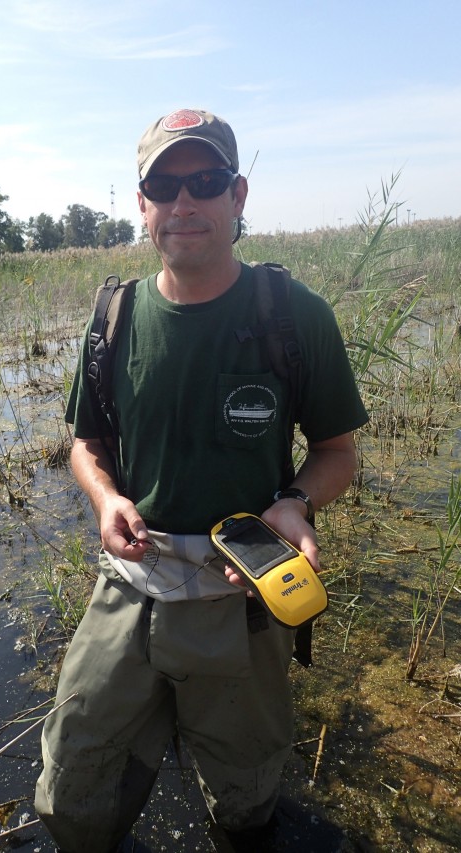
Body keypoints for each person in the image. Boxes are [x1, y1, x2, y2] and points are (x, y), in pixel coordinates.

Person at [35, 107, 369, 852]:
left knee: (245, 797)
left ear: (238, 194)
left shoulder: (294, 315)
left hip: (243, 597)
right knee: (72, 781)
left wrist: (294, 502)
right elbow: (87, 444)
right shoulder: (113, 319)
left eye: (206, 181)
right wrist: (106, 496)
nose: (185, 202)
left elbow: (337, 451)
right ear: (144, 203)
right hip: (131, 582)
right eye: (166, 184)